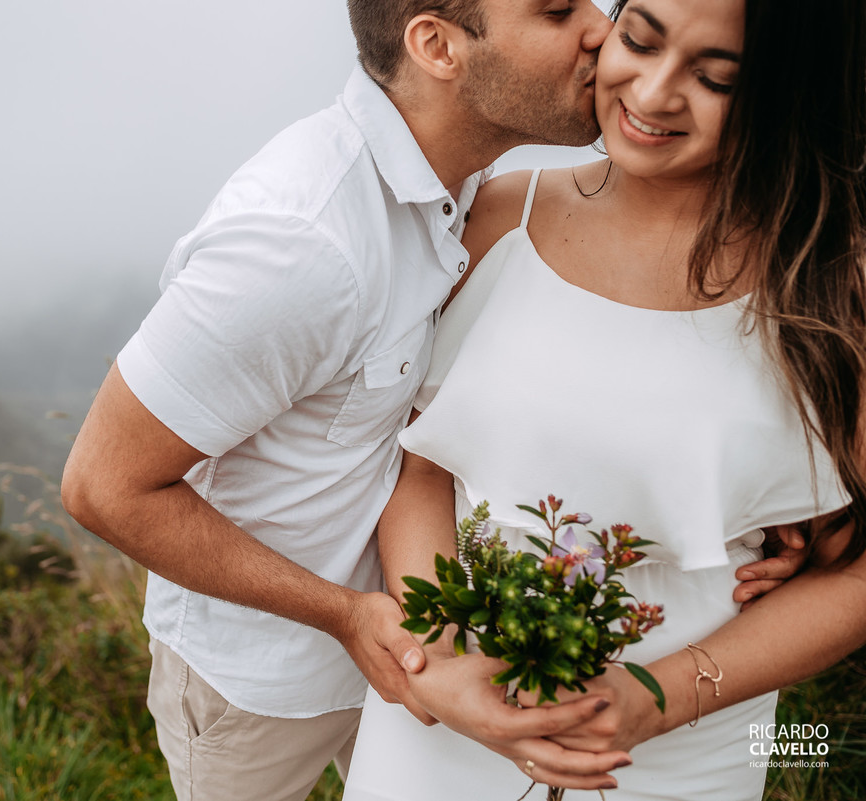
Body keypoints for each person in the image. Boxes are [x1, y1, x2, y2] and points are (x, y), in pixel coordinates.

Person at [61, 1, 798, 798]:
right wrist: (347, 614)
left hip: (427, 635)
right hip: (273, 675)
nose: (598, 27)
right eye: (555, 10)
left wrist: (763, 489)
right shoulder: (299, 243)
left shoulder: (473, 180)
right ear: (437, 46)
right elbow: (102, 485)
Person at [342, 0, 866, 798]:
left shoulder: (827, 280)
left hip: (685, 740)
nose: (652, 94)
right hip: (452, 724)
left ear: (783, 95)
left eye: (716, 78)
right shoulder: (500, 213)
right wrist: (441, 659)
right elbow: (420, 467)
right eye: (639, 39)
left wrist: (658, 697)